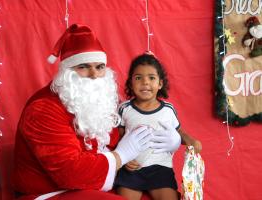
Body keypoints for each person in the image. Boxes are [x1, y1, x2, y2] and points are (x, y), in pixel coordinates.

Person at [12, 24, 180, 200]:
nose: (94, 74)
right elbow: (70, 173)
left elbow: (120, 140)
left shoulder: (100, 101)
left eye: (100, 67)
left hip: (95, 184)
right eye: (84, 66)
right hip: (50, 192)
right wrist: (120, 156)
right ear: (67, 71)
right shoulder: (43, 108)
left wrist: (171, 144)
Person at [114, 53, 202, 200]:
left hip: (160, 169)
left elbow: (178, 131)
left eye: (151, 78)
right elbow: (119, 137)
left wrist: (191, 141)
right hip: (132, 168)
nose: (145, 83)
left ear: (160, 83)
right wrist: (123, 158)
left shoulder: (168, 109)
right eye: (138, 78)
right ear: (130, 83)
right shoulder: (125, 108)